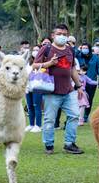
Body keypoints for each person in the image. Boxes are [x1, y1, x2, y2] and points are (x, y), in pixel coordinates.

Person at [32, 24, 84, 155]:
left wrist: (79, 86)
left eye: (65, 34)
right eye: (59, 34)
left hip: (68, 90)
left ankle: (69, 144)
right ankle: (49, 145)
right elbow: (34, 65)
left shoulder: (71, 50)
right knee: (49, 119)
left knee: (75, 115)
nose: (62, 36)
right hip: (51, 91)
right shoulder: (46, 48)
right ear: (53, 35)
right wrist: (49, 63)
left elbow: (72, 69)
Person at [75, 42, 99, 122]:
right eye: (83, 48)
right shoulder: (78, 56)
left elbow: (98, 68)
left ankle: (86, 115)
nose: (84, 49)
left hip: (92, 80)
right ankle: (78, 115)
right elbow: (72, 54)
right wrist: (78, 50)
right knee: (78, 99)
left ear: (89, 49)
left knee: (89, 99)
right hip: (80, 82)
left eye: (86, 48)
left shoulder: (95, 57)